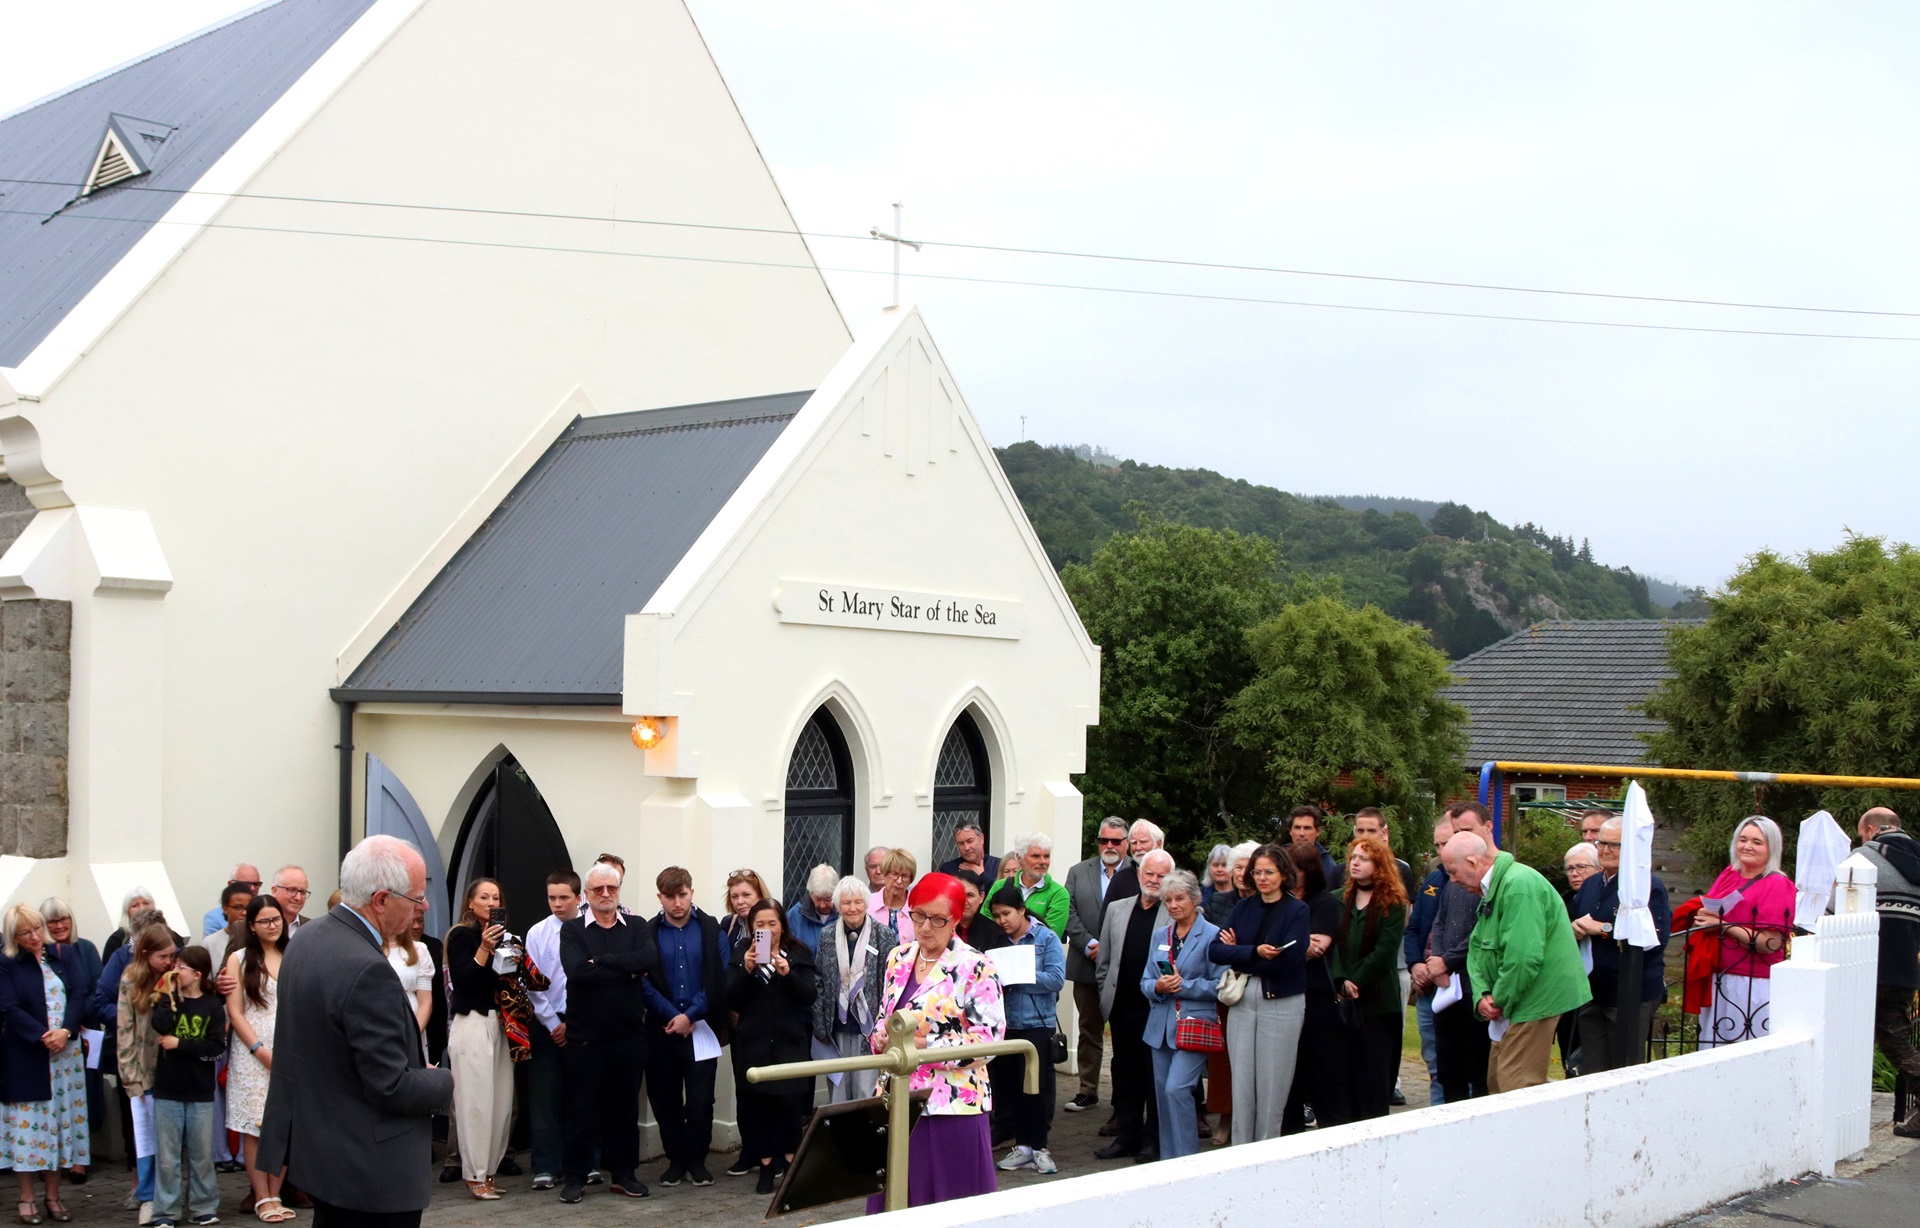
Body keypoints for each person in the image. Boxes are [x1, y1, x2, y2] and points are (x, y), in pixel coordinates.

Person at [257, 835, 454, 1228]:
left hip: (325, 1157)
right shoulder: (368, 969)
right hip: (372, 1172)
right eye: (416, 898)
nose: (425, 906)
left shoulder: (309, 938)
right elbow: (389, 1085)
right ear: (381, 900)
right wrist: (441, 1081)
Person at [864, 874, 1006, 1210]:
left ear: (956, 919)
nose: (926, 927)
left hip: (953, 1104)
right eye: (918, 916)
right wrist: (880, 1035)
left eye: (937, 919)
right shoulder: (897, 957)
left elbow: (989, 1039)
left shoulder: (976, 965)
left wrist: (929, 1047)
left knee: (952, 1203)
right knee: (896, 1198)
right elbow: (885, 1014)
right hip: (897, 1098)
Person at [1444, 832, 1590, 1094]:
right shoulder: (1495, 887)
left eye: (1453, 872)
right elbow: (1477, 947)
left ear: (1473, 862)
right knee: (1497, 1082)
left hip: (1535, 998)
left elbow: (1523, 958)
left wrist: (1498, 1000)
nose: (1452, 880)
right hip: (1513, 1000)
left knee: (1516, 1087)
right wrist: (1482, 994)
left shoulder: (1519, 885)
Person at [557, 863, 657, 1203]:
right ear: (586, 894)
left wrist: (598, 962)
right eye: (598, 889)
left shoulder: (638, 925)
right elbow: (576, 973)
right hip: (585, 1040)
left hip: (629, 1036)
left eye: (611, 889)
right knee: (581, 1112)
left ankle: (624, 1175)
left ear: (618, 891)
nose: (605, 895)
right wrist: (627, 969)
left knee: (625, 1111)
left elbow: (648, 959)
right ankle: (575, 1177)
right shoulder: (572, 930)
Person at [445, 878, 541, 1199]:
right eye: (483, 897)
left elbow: (513, 982)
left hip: (502, 1025)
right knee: (475, 1102)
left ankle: (489, 1171)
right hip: (472, 1023)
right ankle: (473, 1174)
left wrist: (515, 956)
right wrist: (485, 947)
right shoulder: (461, 936)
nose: (490, 902)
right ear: (470, 903)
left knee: (500, 1103)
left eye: (495, 897)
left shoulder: (506, 938)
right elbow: (464, 980)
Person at [1209, 843, 1310, 1144]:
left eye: (1269, 872)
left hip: (1282, 1002)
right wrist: (1255, 951)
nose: (1262, 878)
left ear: (1283, 874)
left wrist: (1240, 953)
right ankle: (1241, 1151)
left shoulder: (1297, 910)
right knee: (1241, 1083)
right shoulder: (1244, 907)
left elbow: (1290, 960)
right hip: (1243, 999)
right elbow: (1216, 950)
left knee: (1272, 1085)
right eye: (1257, 872)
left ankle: (1267, 1152)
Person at [0, 903, 88, 1225]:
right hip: (27, 1055)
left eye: (38, 929)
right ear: (14, 937)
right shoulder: (7, 963)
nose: (36, 936)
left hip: (65, 1056)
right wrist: (42, 1036)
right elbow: (7, 1007)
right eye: (26, 933)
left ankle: (53, 1196)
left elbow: (80, 994)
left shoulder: (63, 955)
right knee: (30, 1129)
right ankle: (26, 1198)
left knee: (61, 1126)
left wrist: (65, 1031)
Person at [642, 866, 730, 1189]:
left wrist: (690, 1015)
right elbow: (644, 982)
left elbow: (718, 981)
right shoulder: (648, 933)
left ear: (692, 892)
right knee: (664, 1097)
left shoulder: (711, 931)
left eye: (682, 894)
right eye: (670, 896)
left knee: (700, 1098)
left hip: (701, 1029)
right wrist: (672, 1016)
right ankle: (675, 1159)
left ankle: (697, 1160)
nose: (677, 902)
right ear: (660, 897)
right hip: (661, 1028)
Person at [727, 900, 816, 1195]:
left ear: (782, 925)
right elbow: (729, 997)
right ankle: (765, 1166)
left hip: (790, 1043)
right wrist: (747, 969)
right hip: (754, 1043)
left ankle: (790, 1163)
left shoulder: (799, 952)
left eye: (772, 924)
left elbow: (808, 996)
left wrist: (787, 972)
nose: (766, 930)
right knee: (758, 1107)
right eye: (760, 925)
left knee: (789, 1106)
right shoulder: (742, 951)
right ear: (752, 927)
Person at [1571, 819, 1671, 1073]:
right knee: (1593, 1071)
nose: (1605, 850)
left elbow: (1654, 938)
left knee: (1624, 1070)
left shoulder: (1646, 886)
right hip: (1592, 991)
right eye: (1600, 843)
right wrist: (1575, 928)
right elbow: (1575, 918)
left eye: (1614, 845)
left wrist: (1603, 929)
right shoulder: (1593, 883)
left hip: (1629, 993)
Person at [1094, 849, 1171, 1162]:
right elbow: (1105, 961)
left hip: (1157, 1010)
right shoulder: (1116, 908)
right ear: (1139, 874)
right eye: (1149, 873)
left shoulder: (1176, 910)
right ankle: (1127, 1137)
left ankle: (1152, 1141)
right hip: (1122, 1009)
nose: (1154, 880)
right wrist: (1105, 997)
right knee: (1124, 1077)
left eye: (1161, 875)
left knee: (1153, 1078)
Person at [1139, 870, 1222, 1162]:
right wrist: (1158, 987)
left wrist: (1184, 986)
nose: (1173, 905)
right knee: (1162, 1098)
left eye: (1180, 898)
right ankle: (1169, 1161)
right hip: (1159, 1026)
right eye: (1168, 900)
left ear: (1195, 899)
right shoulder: (1161, 934)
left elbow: (1220, 985)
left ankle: (1188, 1160)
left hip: (1194, 1025)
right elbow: (1145, 981)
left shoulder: (1212, 935)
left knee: (1177, 1089)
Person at [1693, 816, 1796, 1047]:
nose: (1747, 846)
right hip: (1719, 977)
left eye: (1757, 842)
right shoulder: (1730, 874)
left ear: (1772, 848)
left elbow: (1771, 943)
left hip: (1752, 983)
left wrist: (1724, 926)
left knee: (1746, 1052)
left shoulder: (1777, 885)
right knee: (1713, 1052)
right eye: (1743, 839)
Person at [986, 881, 1065, 1175]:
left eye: (1006, 914)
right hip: (1007, 1025)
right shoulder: (999, 943)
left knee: (1036, 1088)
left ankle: (1040, 1147)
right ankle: (1022, 1147)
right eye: (996, 916)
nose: (1002, 921)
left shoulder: (1046, 939)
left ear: (1022, 910)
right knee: (1010, 1087)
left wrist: (1022, 974)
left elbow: (1057, 979)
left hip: (1037, 1024)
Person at [1331, 835, 1409, 1120]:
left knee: (1374, 1074)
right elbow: (1333, 944)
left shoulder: (1393, 903)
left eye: (1363, 859)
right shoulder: (1337, 900)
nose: (1355, 863)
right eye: (1353, 857)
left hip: (1378, 1002)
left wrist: (1357, 980)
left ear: (1379, 865)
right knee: (1345, 1071)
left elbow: (1385, 951)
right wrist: (1341, 979)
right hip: (1342, 999)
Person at [148, 947, 225, 1228]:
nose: (175, 970)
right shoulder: (167, 1000)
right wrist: (168, 995)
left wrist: (180, 1044)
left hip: (200, 1091)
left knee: (201, 1154)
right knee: (167, 1156)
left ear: (197, 974)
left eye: (181, 967)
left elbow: (216, 1048)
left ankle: (203, 1206)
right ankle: (165, 1210)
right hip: (168, 1089)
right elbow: (160, 1025)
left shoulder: (213, 1006)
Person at [1854, 807, 1920, 1138]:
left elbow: (1837, 912)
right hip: (1906, 967)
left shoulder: (1861, 859)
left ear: (1869, 829)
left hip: (1865, 967)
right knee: (1895, 1039)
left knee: (1851, 1038)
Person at [1424, 803, 1495, 1104]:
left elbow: (1483, 932)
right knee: (1447, 1068)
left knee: (1478, 1070)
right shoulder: (1453, 877)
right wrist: (1437, 961)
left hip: (1476, 986)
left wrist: (1446, 960)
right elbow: (1439, 921)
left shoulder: (1492, 878)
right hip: (1447, 988)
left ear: (1486, 829)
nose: (1457, 837)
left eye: (1465, 831)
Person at [223, 893, 288, 1222]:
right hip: (252, 1052)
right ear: (251, 925)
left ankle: (276, 1192)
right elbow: (235, 1013)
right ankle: (261, 1196)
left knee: (284, 1124)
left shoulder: (293, 954)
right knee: (255, 1126)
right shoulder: (239, 959)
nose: (272, 925)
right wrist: (260, 1050)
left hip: (289, 1051)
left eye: (276, 919)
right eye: (264, 921)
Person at [1063, 817, 1132, 1114]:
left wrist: (1112, 950)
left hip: (1125, 965)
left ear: (1126, 843)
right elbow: (1068, 911)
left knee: (1125, 1029)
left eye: (1116, 841)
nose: (1110, 846)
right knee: (1089, 1027)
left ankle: (1125, 1093)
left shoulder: (1138, 872)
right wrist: (1092, 945)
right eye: (1104, 840)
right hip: (1086, 961)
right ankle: (1088, 1089)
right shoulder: (1079, 872)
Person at [1282, 842, 1350, 1133]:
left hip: (1317, 1000)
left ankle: (1337, 1135)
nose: (1286, 875)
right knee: (1288, 1078)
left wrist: (1275, 946)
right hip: (1284, 998)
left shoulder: (1324, 903)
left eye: (1292, 869)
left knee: (1325, 1074)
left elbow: (1316, 948)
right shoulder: (1278, 902)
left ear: (1308, 871)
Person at [813, 877, 897, 1104]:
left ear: (866, 904)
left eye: (858, 902)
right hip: (836, 1026)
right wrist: (820, 1021)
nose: (852, 908)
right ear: (838, 905)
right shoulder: (827, 935)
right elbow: (818, 978)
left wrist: (886, 1022)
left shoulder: (883, 935)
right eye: (846, 903)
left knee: (866, 1090)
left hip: (869, 1029)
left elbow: (892, 981)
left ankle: (866, 1138)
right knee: (838, 1093)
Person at [36, 899, 102, 1185]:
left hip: (84, 1035)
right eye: (52, 922)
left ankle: (78, 1160)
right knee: (50, 1099)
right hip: (50, 1038)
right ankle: (49, 1157)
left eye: (63, 919)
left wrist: (73, 1022)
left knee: (82, 1095)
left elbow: (94, 990)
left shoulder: (85, 948)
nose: (59, 925)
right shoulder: (39, 956)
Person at [523, 870, 581, 1190]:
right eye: (552, 898)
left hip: (582, 1021)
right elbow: (533, 983)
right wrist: (555, 1023)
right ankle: (545, 1165)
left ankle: (583, 1163)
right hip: (546, 1022)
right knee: (545, 1096)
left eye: (564, 898)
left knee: (581, 1096)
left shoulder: (588, 929)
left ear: (578, 897)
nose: (557, 904)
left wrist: (573, 1021)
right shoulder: (537, 932)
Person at [119, 922, 177, 1225]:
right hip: (143, 1071)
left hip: (172, 1069)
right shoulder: (131, 980)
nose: (168, 962)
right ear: (145, 954)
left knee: (169, 1141)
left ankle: (169, 1197)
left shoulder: (173, 979)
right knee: (146, 1141)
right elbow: (124, 1031)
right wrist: (131, 1078)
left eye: (171, 955)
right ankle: (147, 1197)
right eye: (163, 956)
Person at [1203, 839, 1259, 1144]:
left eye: (1246, 866)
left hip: (1260, 987)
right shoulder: (1218, 903)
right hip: (1225, 988)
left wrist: (1238, 948)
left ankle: (1249, 1118)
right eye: (1236, 866)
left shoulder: (1268, 905)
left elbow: (1244, 947)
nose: (1240, 872)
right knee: (1223, 1060)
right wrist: (1237, 949)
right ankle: (1225, 1115)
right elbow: (1214, 949)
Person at [1404, 817, 1453, 1106]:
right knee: (1432, 1063)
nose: (1441, 851)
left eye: (1445, 843)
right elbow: (1414, 929)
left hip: (1456, 987)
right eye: (1437, 844)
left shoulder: (1473, 883)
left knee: (1456, 1065)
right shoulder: (1434, 880)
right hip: (1426, 989)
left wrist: (1442, 964)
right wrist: (1416, 964)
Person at [384, 903, 437, 1055]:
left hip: (413, 1027)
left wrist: (412, 1037)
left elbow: (426, 1003)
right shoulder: (370, 946)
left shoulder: (419, 950)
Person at [1008, 834, 1070, 939]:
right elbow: (986, 923)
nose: (1043, 862)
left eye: (1046, 856)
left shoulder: (1059, 894)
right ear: (1019, 858)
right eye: (1036, 856)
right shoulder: (1001, 886)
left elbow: (1049, 937)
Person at [785, 865, 840, 958]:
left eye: (827, 899)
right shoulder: (794, 916)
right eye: (818, 899)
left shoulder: (845, 914)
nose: (822, 905)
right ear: (810, 893)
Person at [1286, 806, 1345, 893]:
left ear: (1318, 831)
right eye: (1297, 827)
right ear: (1290, 831)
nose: (1301, 833)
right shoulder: (1279, 857)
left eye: (1307, 828)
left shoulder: (1328, 865)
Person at [953, 872, 1009, 954]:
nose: (964, 901)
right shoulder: (939, 926)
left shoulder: (994, 933)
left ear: (981, 897)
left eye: (970, 895)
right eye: (959, 894)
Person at [1106, 820, 1164, 900]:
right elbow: (1108, 912)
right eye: (1134, 843)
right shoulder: (1119, 880)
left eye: (1143, 842)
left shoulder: (1176, 878)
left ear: (1159, 844)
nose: (1138, 848)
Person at [201, 884, 254, 970]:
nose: (244, 913)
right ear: (225, 909)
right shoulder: (210, 943)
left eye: (249, 908)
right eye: (238, 907)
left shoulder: (259, 938)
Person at [869, 850, 917, 942]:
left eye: (905, 876)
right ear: (884, 874)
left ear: (911, 879)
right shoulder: (868, 903)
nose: (899, 881)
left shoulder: (918, 907)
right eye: (894, 874)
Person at [203, 866, 263, 938]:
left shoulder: (265, 912)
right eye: (246, 884)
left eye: (256, 884)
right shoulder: (214, 918)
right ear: (231, 884)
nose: (253, 888)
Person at [719, 870, 769, 950]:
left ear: (760, 895)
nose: (740, 902)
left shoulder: (773, 923)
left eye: (746, 895)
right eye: (734, 896)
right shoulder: (728, 923)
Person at [937, 823, 1001, 886]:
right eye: (961, 843)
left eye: (970, 841)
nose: (966, 848)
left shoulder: (1000, 866)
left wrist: (982, 875)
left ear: (981, 839)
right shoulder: (949, 869)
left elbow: (1005, 893)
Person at [103, 889, 158, 961]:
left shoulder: (168, 934)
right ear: (127, 912)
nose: (142, 908)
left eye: (146, 903)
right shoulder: (117, 940)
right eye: (135, 905)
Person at [267, 869, 311, 934]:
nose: (298, 898)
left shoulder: (312, 928)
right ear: (274, 891)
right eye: (292, 890)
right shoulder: (258, 925)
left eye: (302, 892)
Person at [1201, 845, 1234, 912]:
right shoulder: (1200, 895)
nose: (1219, 869)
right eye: (1215, 865)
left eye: (1224, 865)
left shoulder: (1242, 893)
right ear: (1209, 868)